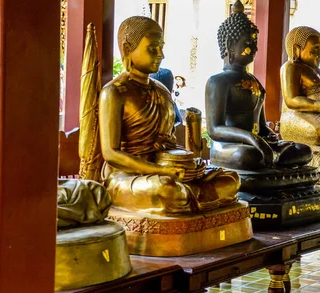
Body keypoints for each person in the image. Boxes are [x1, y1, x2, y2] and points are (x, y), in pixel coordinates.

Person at [98, 16, 239, 215]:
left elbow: (169, 143)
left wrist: (192, 165)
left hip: (167, 169)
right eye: (153, 48)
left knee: (231, 179)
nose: (161, 54)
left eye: (161, 47)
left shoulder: (162, 91)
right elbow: (111, 154)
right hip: (128, 176)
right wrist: (161, 171)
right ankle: (190, 198)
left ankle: (190, 197)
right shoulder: (114, 92)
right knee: (168, 190)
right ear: (128, 48)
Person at [205, 1, 312, 170]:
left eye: (255, 42)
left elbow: (260, 126)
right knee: (249, 156)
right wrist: (252, 139)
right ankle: (270, 160)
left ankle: (272, 159)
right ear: (230, 45)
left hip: (257, 144)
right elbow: (214, 129)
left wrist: (269, 136)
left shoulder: (254, 81)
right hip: (230, 147)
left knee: (304, 151)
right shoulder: (218, 81)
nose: (255, 48)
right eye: (248, 43)